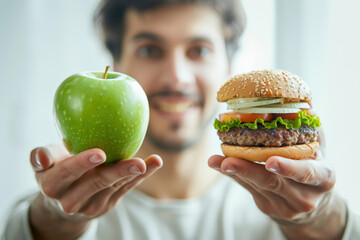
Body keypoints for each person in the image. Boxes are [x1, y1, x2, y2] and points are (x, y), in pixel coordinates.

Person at [2, 0, 360, 239]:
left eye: (199, 50)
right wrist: (52, 222)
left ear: (229, 66)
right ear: (117, 64)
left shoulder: (286, 199)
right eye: (150, 50)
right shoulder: (67, 204)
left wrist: (323, 220)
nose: (177, 77)